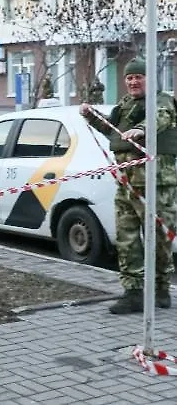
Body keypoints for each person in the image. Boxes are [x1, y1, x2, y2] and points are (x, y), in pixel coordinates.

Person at [81, 58, 177, 314]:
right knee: (127, 237)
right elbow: (114, 133)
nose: (133, 82)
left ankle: (160, 288)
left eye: (139, 77)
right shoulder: (125, 105)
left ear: (149, 79)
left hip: (156, 184)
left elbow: (160, 119)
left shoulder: (162, 100)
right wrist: (92, 117)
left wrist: (141, 130)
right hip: (126, 182)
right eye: (129, 78)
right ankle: (133, 292)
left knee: (158, 239)